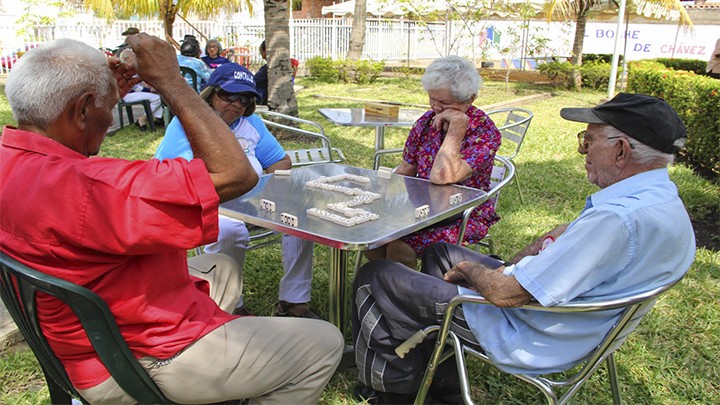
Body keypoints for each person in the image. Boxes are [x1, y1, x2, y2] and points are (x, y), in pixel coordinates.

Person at [0, 36, 343, 404]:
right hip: (127, 358)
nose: (113, 112)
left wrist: (104, 91)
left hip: (81, 326)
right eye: (108, 106)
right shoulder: (94, 188)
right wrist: (171, 82)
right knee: (324, 343)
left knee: (222, 265)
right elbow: (236, 174)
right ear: (83, 110)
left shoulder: (11, 157)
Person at [352, 93, 696, 403]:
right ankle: (438, 366)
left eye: (587, 141)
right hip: (567, 317)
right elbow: (554, 255)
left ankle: (390, 392)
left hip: (530, 332)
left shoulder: (617, 220)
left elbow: (507, 295)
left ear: (621, 150)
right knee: (440, 252)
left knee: (377, 275)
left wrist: (473, 272)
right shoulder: (660, 200)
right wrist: (526, 255)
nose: (583, 152)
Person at [155, 63, 320, 318]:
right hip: (210, 203)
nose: (237, 103)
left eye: (244, 98)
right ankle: (232, 303)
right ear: (210, 92)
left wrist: (267, 190)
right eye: (229, 95)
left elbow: (280, 162)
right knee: (230, 229)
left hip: (253, 202)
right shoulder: (187, 124)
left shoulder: (250, 123)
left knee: (299, 216)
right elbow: (172, 176)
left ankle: (294, 301)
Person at [363, 55, 501, 269]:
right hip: (421, 208)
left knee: (400, 247)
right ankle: (386, 288)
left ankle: (413, 297)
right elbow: (407, 168)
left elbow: (443, 176)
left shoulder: (485, 132)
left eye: (444, 102)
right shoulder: (426, 122)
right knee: (372, 239)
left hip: (463, 214)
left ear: (470, 99)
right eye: (432, 99)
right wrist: (378, 195)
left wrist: (457, 126)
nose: (435, 107)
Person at [118, 48, 164, 130]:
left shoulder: (129, 68)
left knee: (157, 95)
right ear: (127, 58)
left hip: (131, 93)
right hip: (127, 94)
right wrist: (149, 90)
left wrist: (148, 86)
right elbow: (135, 87)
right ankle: (142, 119)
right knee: (156, 98)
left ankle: (158, 119)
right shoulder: (124, 70)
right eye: (134, 57)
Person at [254, 40, 299, 105]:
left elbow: (254, 81)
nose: (260, 54)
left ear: (266, 50)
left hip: (263, 99)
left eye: (261, 51)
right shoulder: (286, 65)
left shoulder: (268, 69)